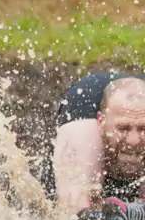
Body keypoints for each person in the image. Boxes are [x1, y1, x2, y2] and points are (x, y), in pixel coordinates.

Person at [43, 73, 145, 212]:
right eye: (123, 128)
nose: (133, 141)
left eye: (143, 129)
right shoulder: (88, 126)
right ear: (101, 122)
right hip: (87, 97)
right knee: (77, 204)